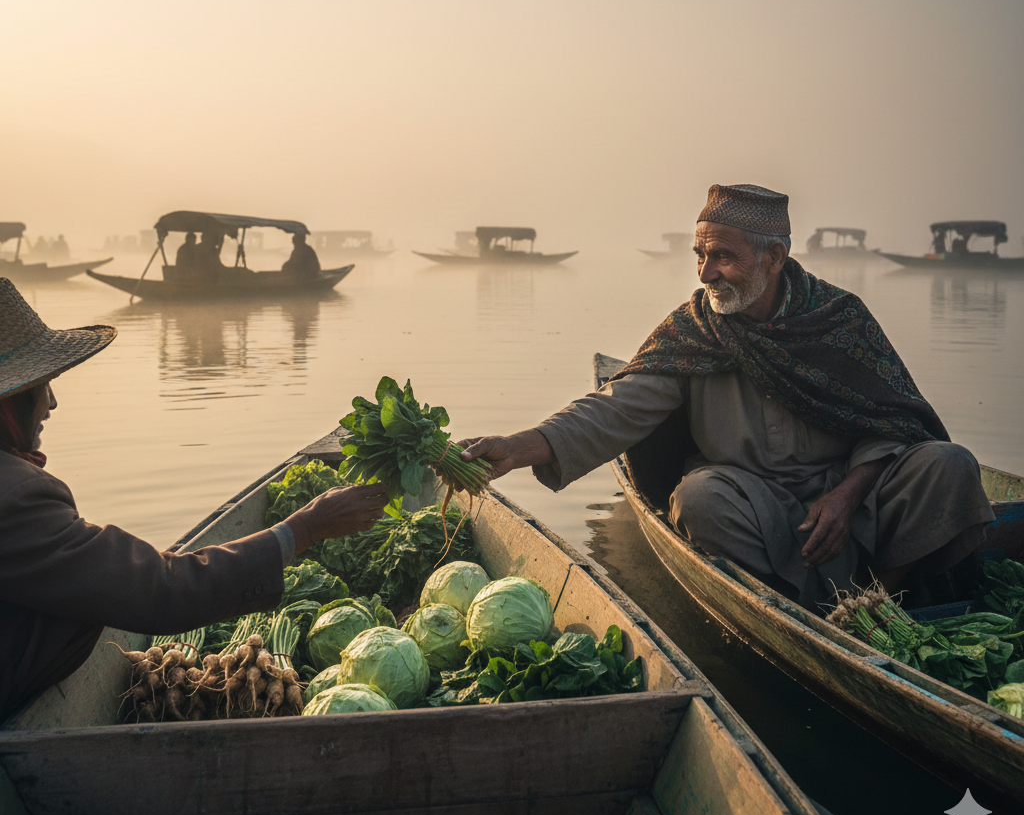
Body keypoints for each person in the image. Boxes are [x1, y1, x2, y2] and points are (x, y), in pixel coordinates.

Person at [460, 184, 994, 612]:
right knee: (698, 499)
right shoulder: (694, 333)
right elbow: (614, 407)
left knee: (949, 465)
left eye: (722, 256)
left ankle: (876, 602)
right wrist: (517, 447)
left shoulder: (840, 320)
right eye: (700, 255)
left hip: (852, 501)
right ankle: (790, 608)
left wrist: (847, 495)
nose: (705, 272)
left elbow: (893, 423)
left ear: (774, 257)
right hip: (752, 507)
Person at [0, 277, 387, 720]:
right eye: (42, 384)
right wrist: (305, 528)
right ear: (8, 403)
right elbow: (160, 590)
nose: (51, 403)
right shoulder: (17, 499)